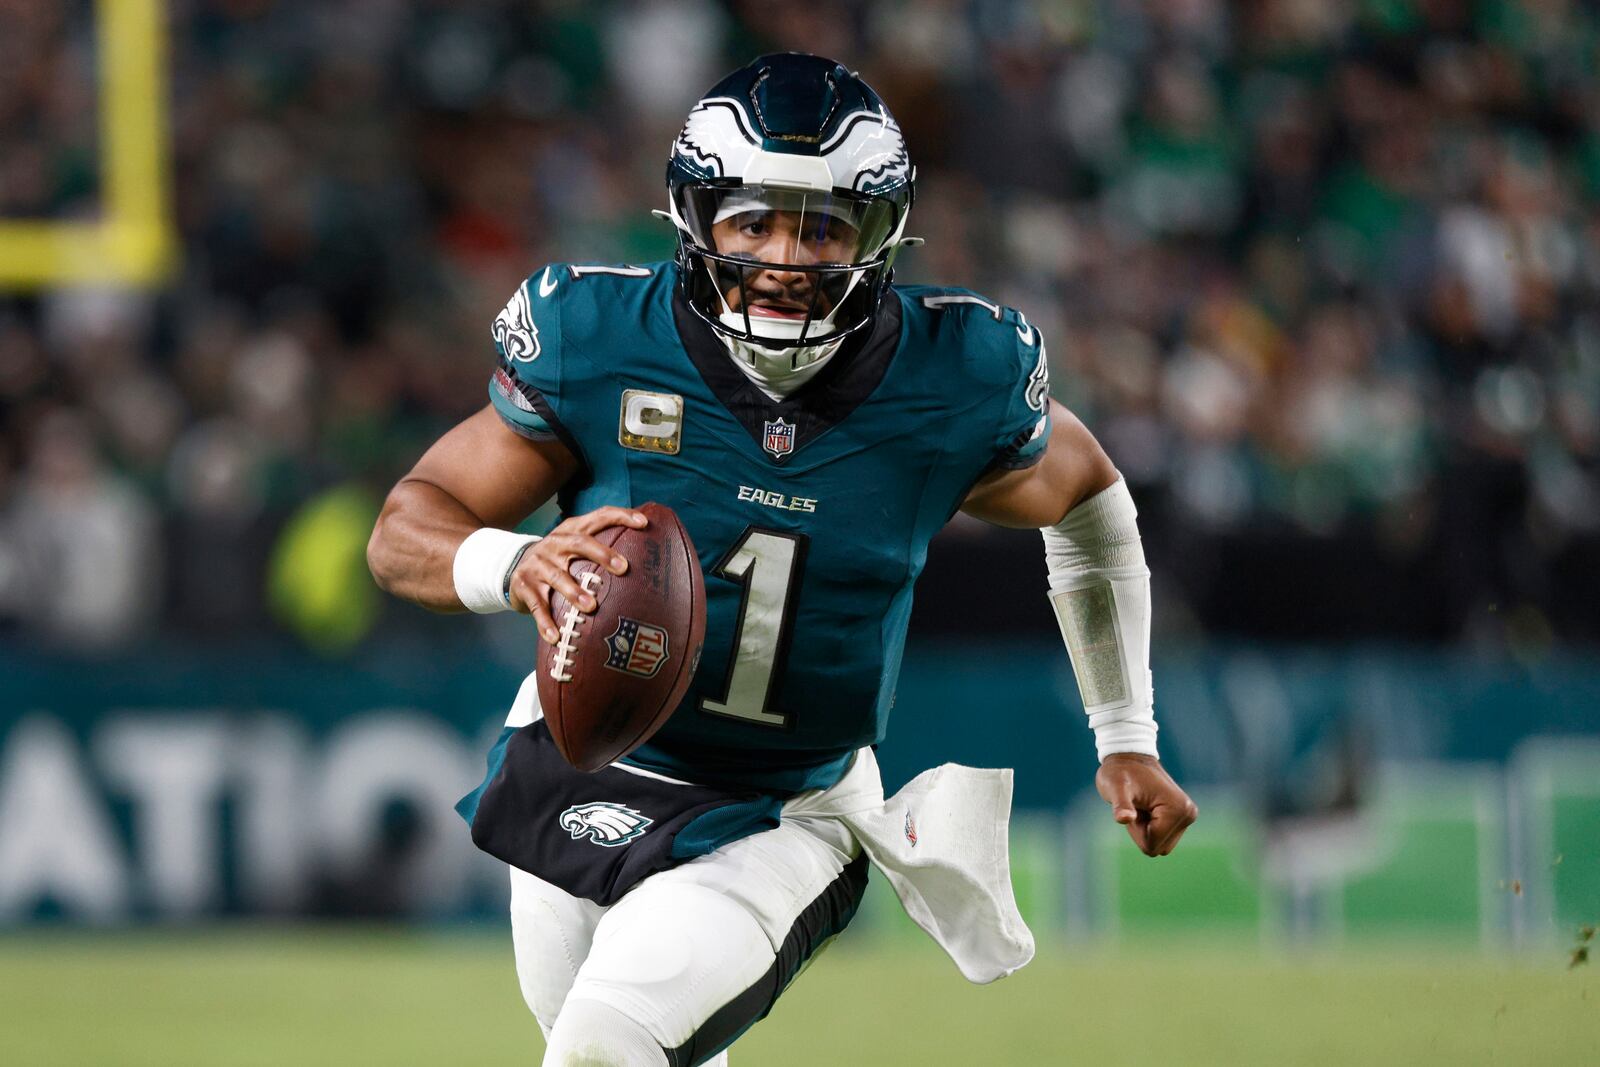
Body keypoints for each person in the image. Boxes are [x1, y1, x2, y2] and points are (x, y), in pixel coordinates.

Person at [368, 53, 1196, 1067]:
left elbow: (1090, 498)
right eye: (753, 218)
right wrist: (517, 561)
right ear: (695, 217)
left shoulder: (951, 376)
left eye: (823, 224)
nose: (784, 256)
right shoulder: (600, 341)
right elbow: (406, 527)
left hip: (780, 808)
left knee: (605, 1046)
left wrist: (1126, 729)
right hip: (579, 752)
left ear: (877, 236)